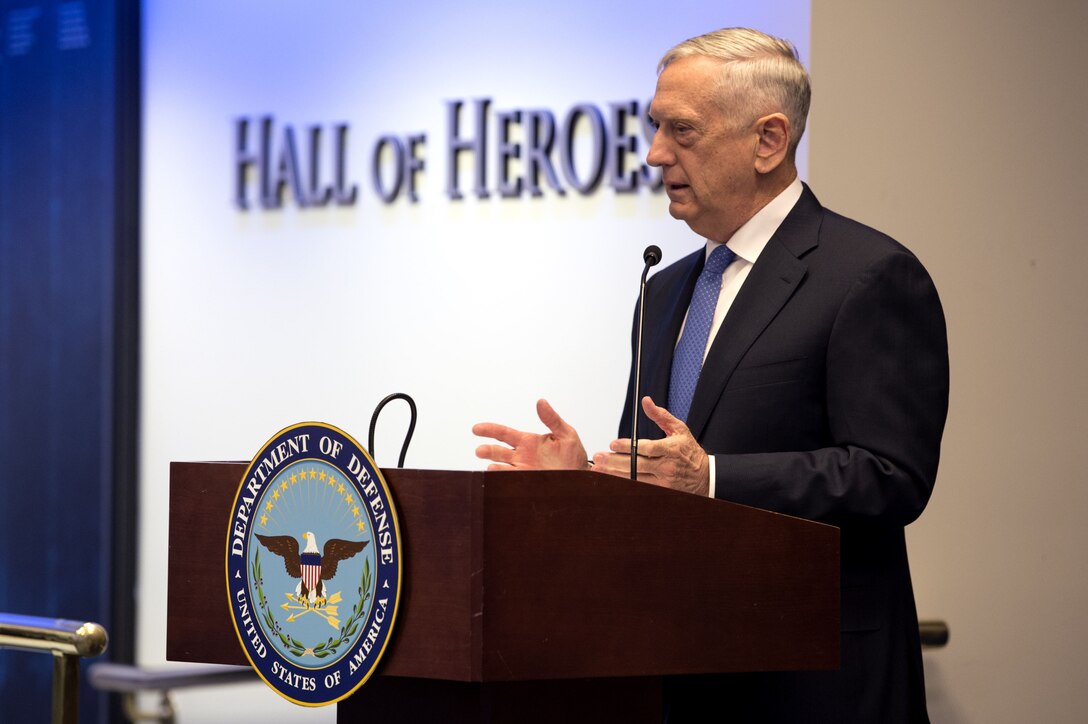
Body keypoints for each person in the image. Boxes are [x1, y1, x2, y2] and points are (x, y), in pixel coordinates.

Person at [474, 27, 948, 723]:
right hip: (680, 676)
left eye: (682, 131)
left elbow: (890, 475)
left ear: (768, 141)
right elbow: (657, 479)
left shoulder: (868, 277)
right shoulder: (665, 290)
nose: (655, 153)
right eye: (655, 127)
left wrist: (716, 480)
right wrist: (588, 483)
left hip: (816, 683)